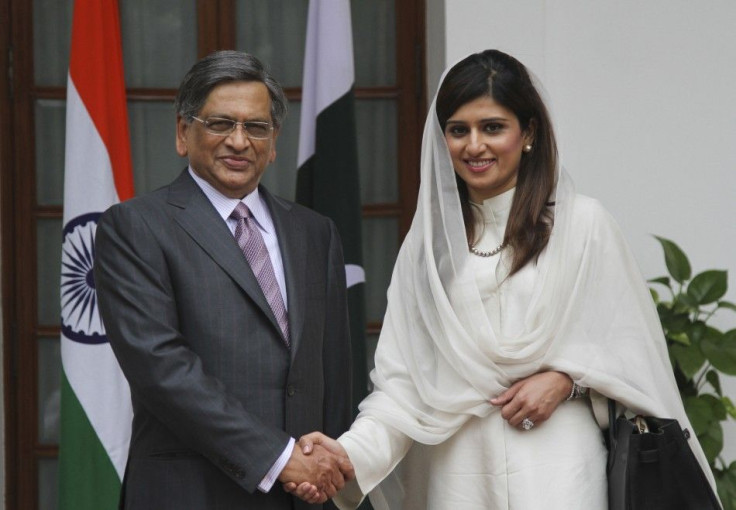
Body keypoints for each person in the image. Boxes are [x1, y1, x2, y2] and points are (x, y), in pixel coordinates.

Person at [285, 49, 720, 509]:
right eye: (458, 130)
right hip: (456, 476)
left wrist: (567, 380)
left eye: (492, 127)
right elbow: (403, 386)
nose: (474, 146)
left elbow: (633, 358)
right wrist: (347, 454)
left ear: (528, 133)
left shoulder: (584, 226)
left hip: (559, 470)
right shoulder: (426, 250)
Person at [94, 50, 354, 510]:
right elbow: (163, 370)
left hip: (303, 495)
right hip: (190, 493)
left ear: (273, 143)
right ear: (182, 133)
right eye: (219, 124)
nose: (239, 141)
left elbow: (333, 373)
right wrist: (278, 458)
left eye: (256, 127)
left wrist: (324, 471)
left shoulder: (316, 233)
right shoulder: (135, 226)